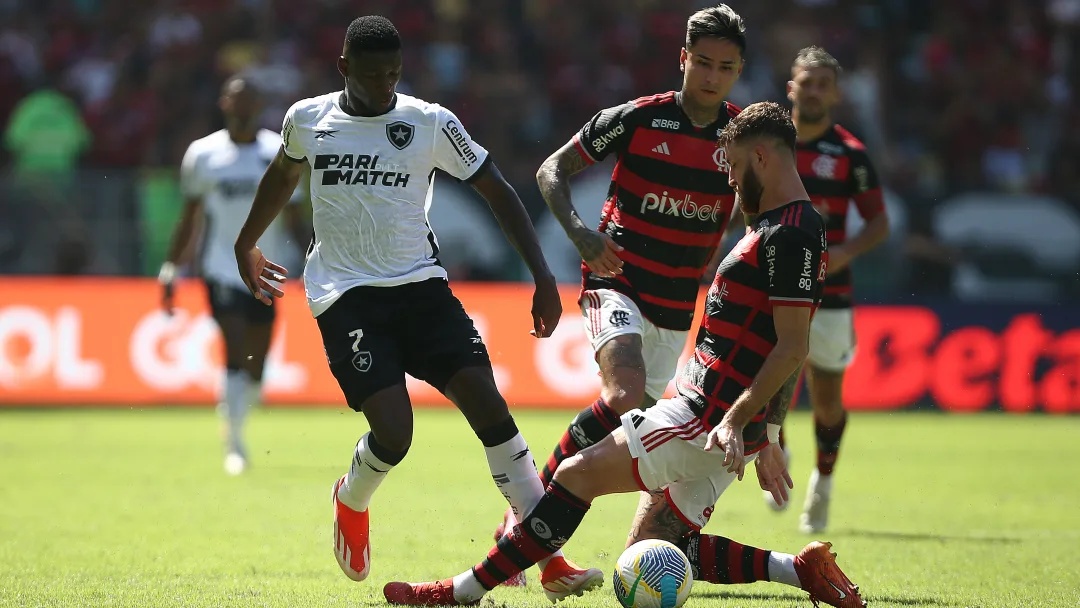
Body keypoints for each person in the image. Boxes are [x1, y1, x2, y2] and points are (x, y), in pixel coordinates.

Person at [384, 102, 866, 608]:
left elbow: (793, 347)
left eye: (736, 165)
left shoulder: (788, 235)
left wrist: (738, 419)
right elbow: (786, 338)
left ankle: (460, 593)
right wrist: (762, 432)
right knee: (655, 552)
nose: (730, 181)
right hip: (728, 427)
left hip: (705, 418)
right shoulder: (788, 226)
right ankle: (800, 569)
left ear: (763, 157)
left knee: (574, 476)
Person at [231, 15, 601, 599]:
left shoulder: (429, 123)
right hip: (345, 295)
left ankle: (548, 555)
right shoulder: (308, 119)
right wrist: (246, 241)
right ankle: (351, 497)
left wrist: (541, 274)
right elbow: (282, 175)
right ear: (344, 68)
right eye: (373, 75)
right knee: (395, 434)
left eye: (395, 75)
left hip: (420, 287)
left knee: (487, 403)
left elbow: (496, 188)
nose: (385, 86)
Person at [492, 5, 747, 583]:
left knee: (625, 429)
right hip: (617, 280)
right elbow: (551, 170)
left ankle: (530, 533)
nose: (710, 76)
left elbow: (759, 211)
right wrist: (581, 233)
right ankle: (525, 523)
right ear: (683, 59)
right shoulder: (636, 119)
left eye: (724, 67)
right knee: (624, 393)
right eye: (701, 62)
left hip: (679, 306)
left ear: (738, 71)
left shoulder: (740, 138)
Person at [761, 46, 890, 534]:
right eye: (805, 81)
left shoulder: (851, 155)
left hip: (830, 293)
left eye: (822, 83)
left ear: (834, 93)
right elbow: (742, 201)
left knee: (827, 398)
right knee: (768, 379)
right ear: (791, 87)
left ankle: (824, 482)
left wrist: (843, 255)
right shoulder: (771, 144)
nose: (812, 90)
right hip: (771, 284)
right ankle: (778, 447)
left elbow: (879, 223)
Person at [159, 76, 307, 476]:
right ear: (224, 103)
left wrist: (315, 258)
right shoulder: (203, 154)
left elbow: (294, 215)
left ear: (259, 104)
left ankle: (241, 409)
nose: (242, 106)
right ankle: (235, 443)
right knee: (234, 343)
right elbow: (189, 217)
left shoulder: (277, 149)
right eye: (236, 99)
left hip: (268, 270)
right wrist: (171, 266)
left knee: (256, 365)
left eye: (250, 99)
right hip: (221, 268)